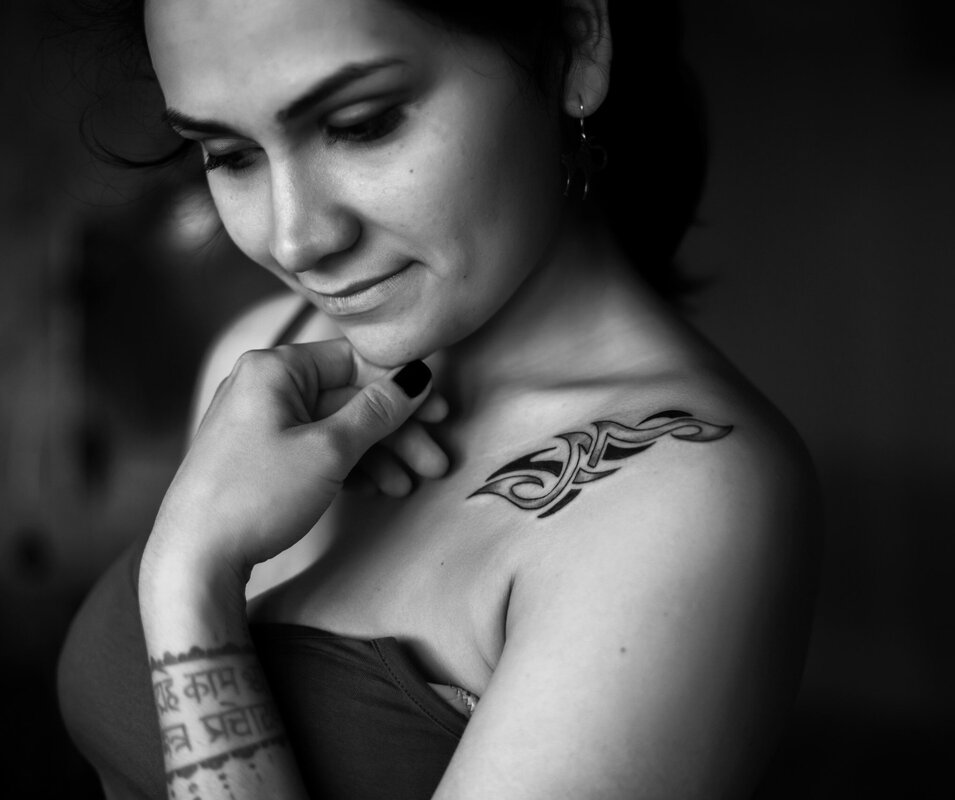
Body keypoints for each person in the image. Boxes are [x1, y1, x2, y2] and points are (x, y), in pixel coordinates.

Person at [57, 0, 822, 797]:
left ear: (575, 45)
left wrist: (187, 576)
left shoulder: (689, 497)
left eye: (361, 124)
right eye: (229, 154)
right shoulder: (265, 367)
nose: (295, 240)